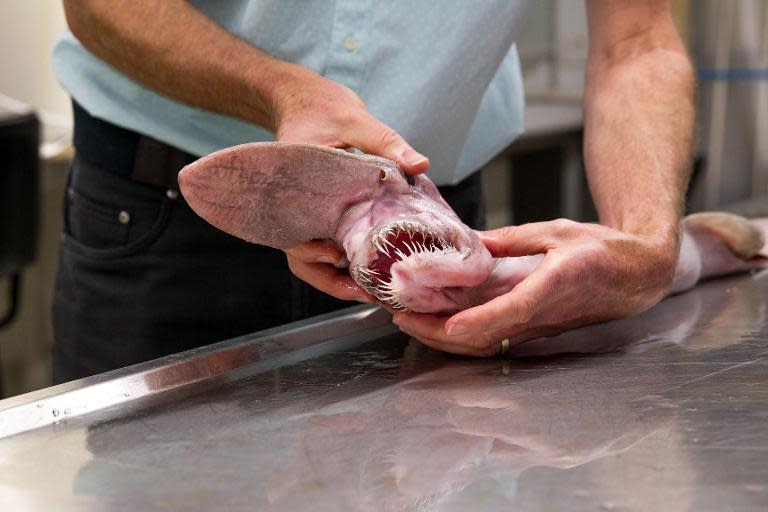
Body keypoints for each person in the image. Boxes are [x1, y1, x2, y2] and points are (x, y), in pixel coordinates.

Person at [52, 0, 693, 381]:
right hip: (164, 225)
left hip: (438, 238)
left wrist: (647, 246)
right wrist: (281, 90)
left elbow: (635, 42)